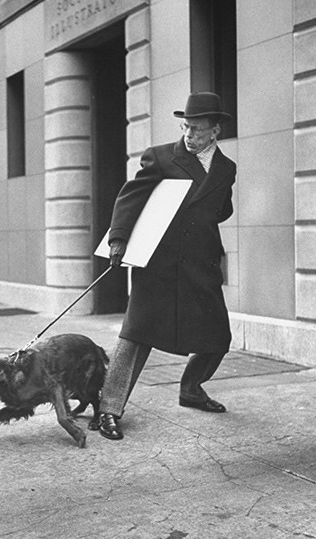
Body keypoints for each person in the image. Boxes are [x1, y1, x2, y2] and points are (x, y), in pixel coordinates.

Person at [98, 92, 237, 441]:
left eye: (197, 129)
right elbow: (130, 197)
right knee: (136, 335)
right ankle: (109, 409)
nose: (189, 135)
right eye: (185, 127)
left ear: (215, 131)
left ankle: (191, 389)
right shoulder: (161, 157)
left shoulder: (226, 168)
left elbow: (223, 209)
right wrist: (118, 239)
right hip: (158, 262)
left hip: (201, 262)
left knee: (217, 336)